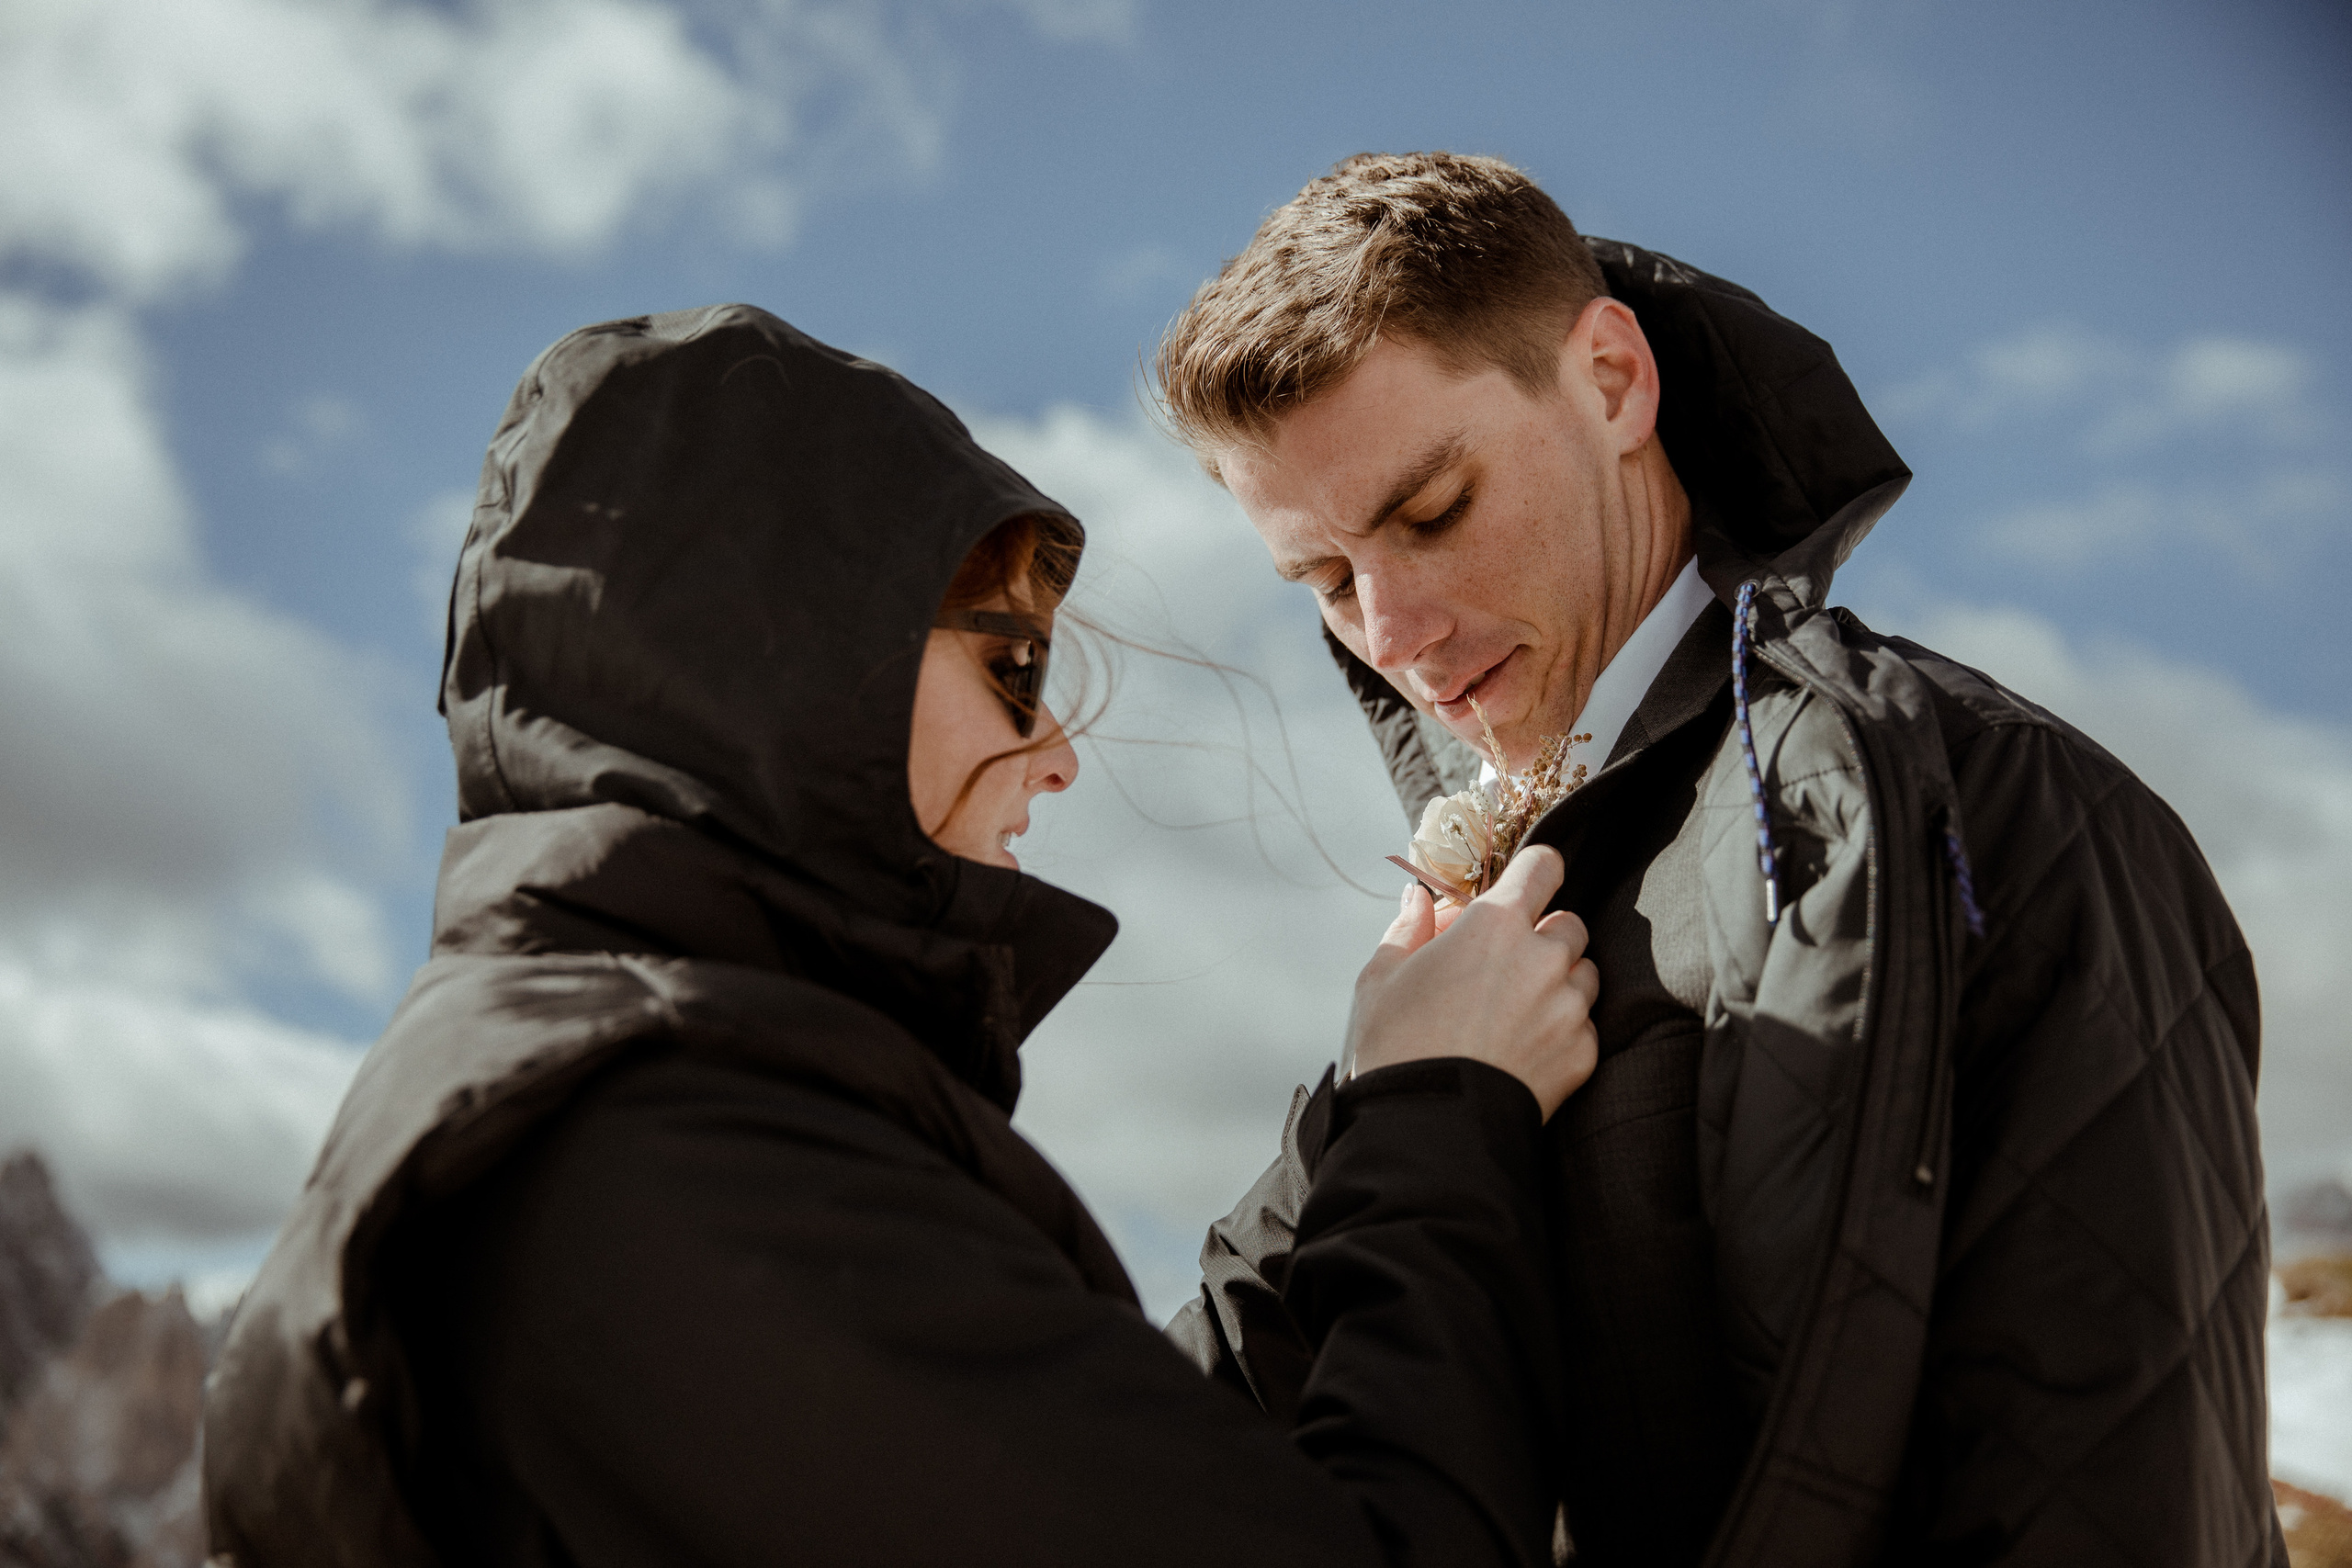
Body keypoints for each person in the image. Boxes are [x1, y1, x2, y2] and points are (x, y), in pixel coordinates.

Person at [199, 303, 1606, 1567]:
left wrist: (1357, 1130)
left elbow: (1105, 1470)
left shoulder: (625, 1107)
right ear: (783, 677)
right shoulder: (663, 1162)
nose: (1054, 755)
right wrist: (1447, 1115)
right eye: (1010, 667)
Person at [1158, 152, 2281, 1567]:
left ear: (1615, 381)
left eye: (1433, 512)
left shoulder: (1990, 800)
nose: (1387, 631)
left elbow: (2116, 1487)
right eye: (1322, 582)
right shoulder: (1446, 965)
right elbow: (1179, 1451)